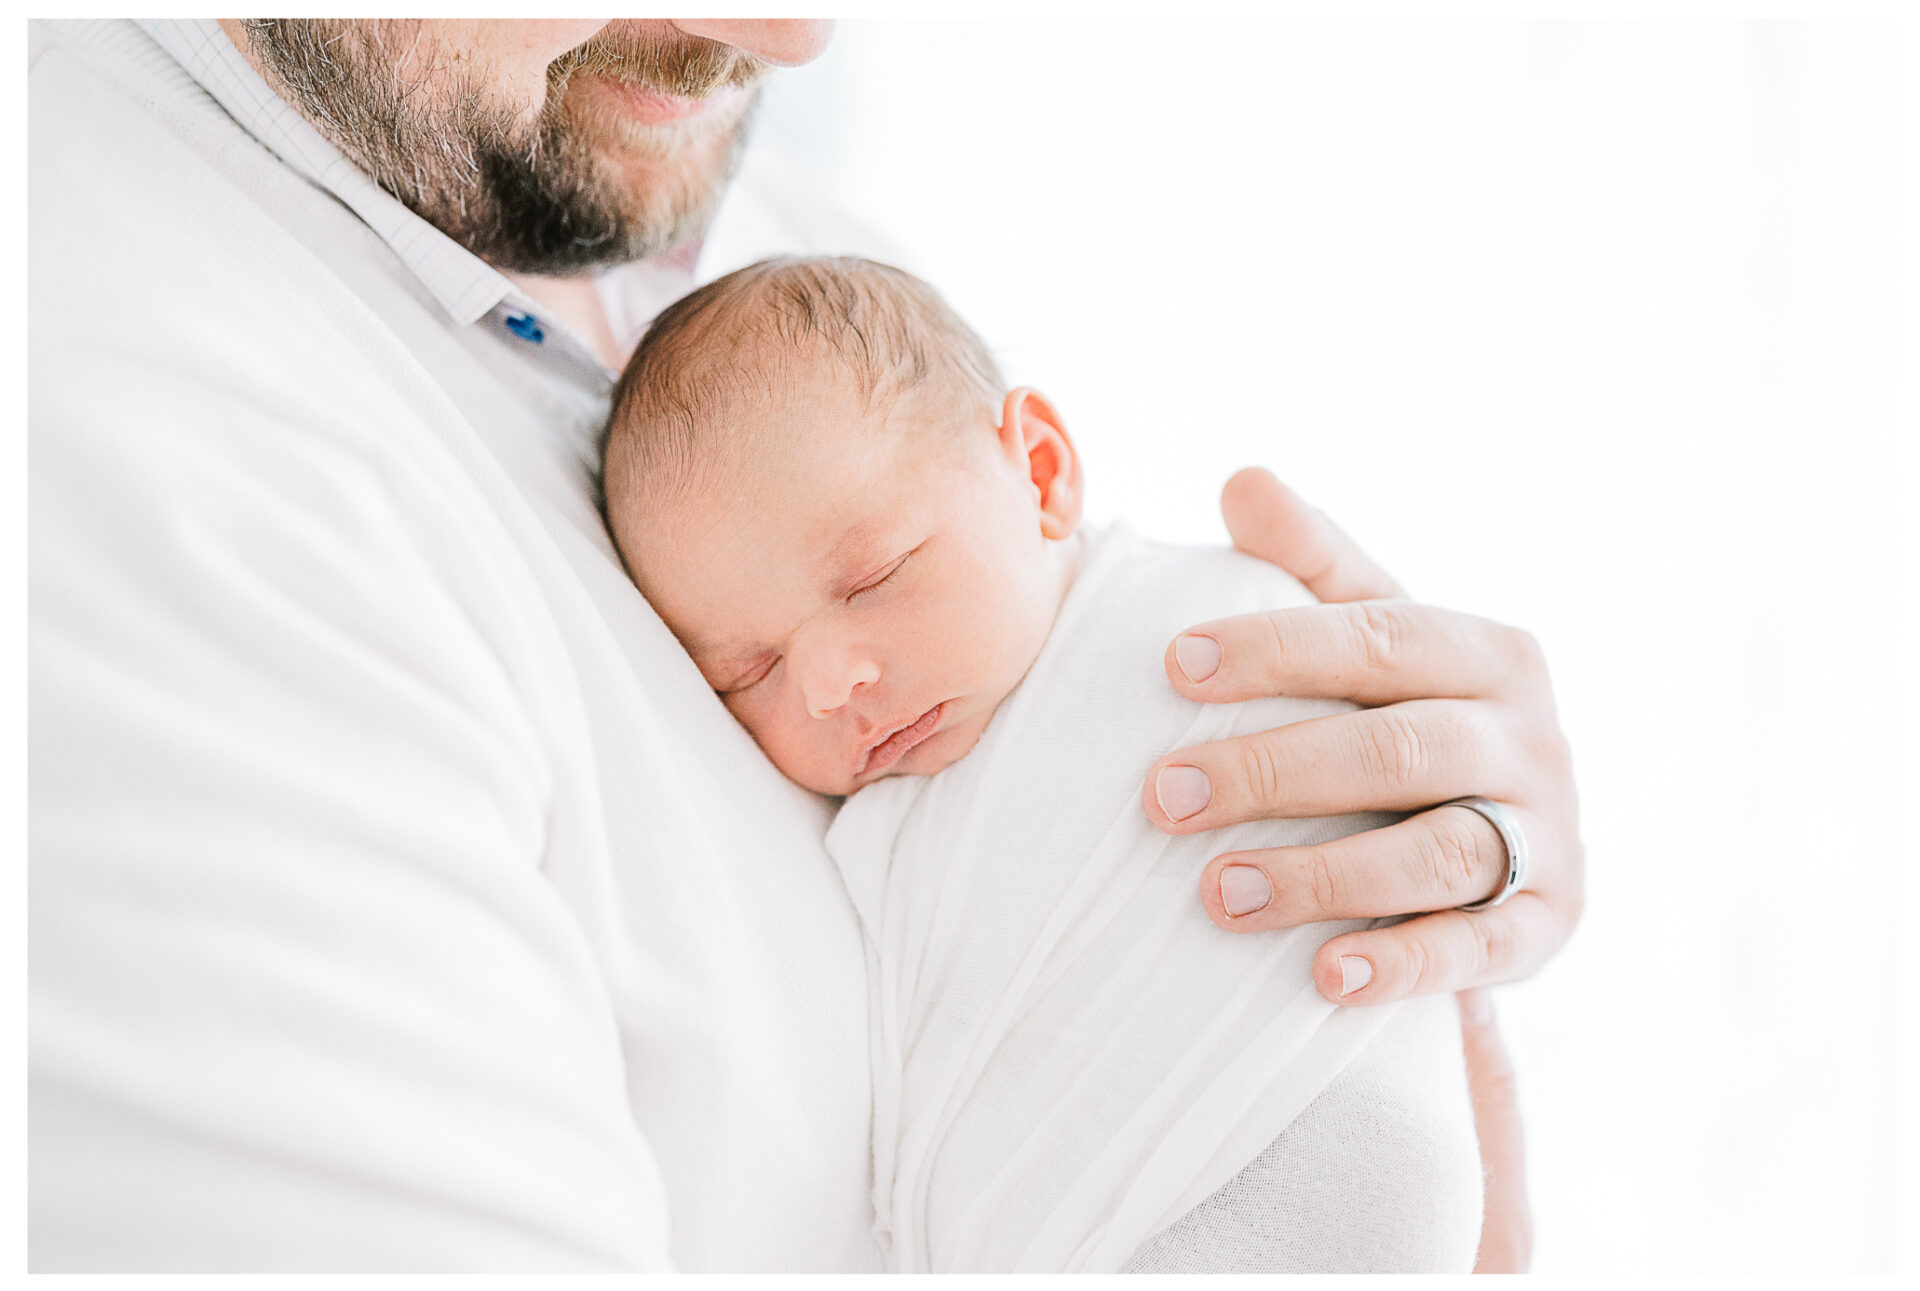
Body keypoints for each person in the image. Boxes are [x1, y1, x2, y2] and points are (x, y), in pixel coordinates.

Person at [28, 18, 1577, 1271]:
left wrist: (1408, 842)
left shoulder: (705, 202)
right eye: (735, 671)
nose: (788, 34)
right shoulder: (126, 459)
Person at [606, 255, 1487, 1272]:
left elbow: (1412, 803)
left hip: (1327, 1120)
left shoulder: (1212, 631)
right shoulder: (879, 840)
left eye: (874, 577)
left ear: (1038, 471)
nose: (827, 684)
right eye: (745, 671)